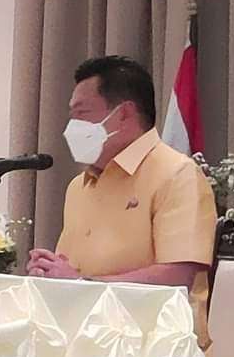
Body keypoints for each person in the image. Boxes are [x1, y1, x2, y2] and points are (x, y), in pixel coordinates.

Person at [28, 56, 217, 333]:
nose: (71, 127)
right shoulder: (78, 187)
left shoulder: (177, 174)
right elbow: (71, 275)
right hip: (85, 336)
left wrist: (82, 285)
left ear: (124, 113)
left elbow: (177, 278)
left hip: (155, 343)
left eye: (82, 113)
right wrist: (49, 272)